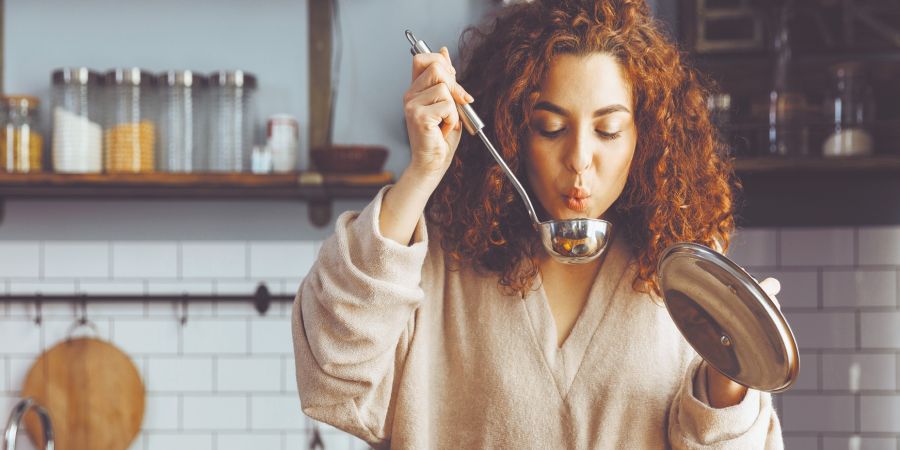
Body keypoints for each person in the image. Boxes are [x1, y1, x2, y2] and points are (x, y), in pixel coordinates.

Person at [292, 0, 784, 448]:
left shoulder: (684, 277)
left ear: (646, 136)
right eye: (550, 128)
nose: (579, 161)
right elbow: (334, 379)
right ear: (511, 130)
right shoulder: (440, 260)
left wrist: (729, 381)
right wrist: (422, 174)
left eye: (608, 131)